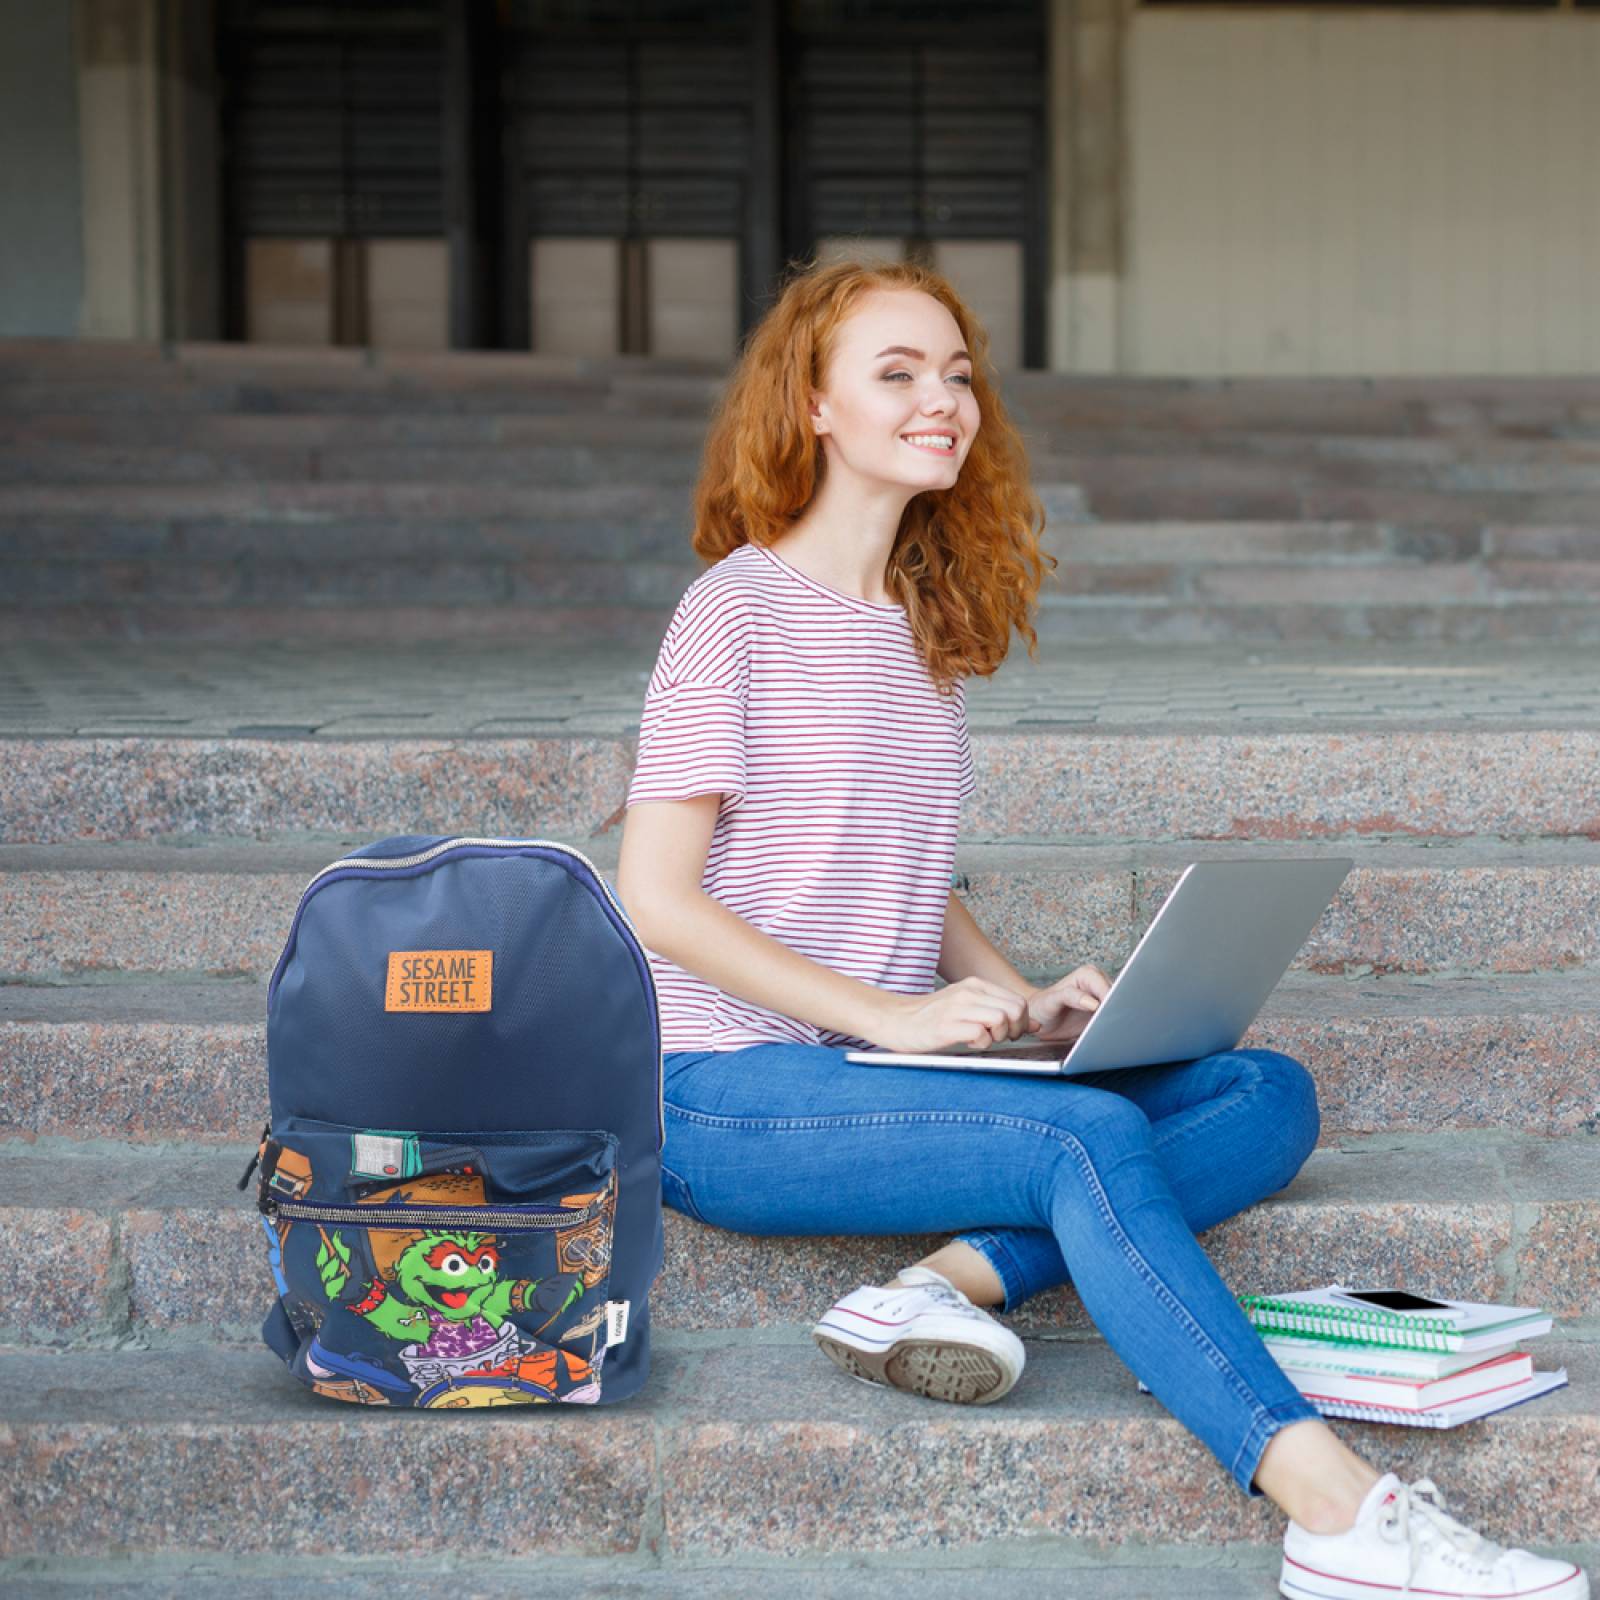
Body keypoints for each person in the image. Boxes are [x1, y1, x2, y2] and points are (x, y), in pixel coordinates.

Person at [613, 256, 1588, 1600]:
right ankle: (1334, 1511)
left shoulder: (917, 632)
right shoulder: (732, 614)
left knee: (1266, 1094)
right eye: (895, 374)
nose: (940, 399)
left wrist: (1022, 1003)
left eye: (955, 373)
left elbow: (898, 876)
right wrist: (892, 1017)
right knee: (1090, 1136)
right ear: (815, 407)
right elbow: (656, 899)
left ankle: (945, 1285)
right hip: (729, 1089)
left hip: (893, 1069)